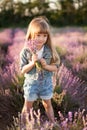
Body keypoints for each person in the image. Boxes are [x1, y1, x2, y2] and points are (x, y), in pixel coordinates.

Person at [20, 16, 60, 128]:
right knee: (27, 107)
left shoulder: (49, 50)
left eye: (45, 35)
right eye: (38, 35)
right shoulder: (26, 52)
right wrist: (32, 63)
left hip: (46, 83)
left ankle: (53, 123)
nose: (42, 39)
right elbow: (22, 70)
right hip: (31, 84)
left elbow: (55, 67)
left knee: (47, 104)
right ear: (31, 35)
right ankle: (22, 125)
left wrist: (46, 66)